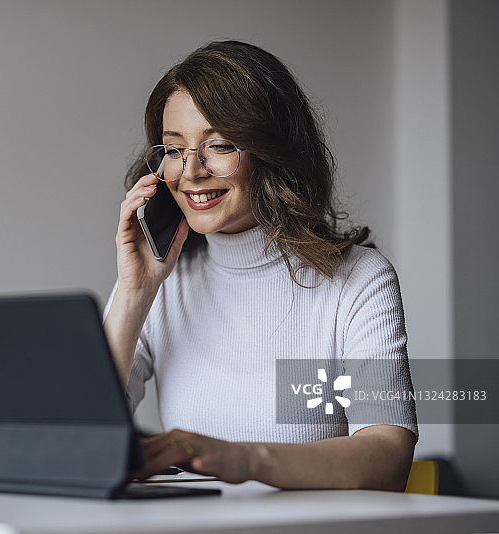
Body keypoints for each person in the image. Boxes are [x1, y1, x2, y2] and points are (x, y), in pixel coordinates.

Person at [103, 40, 417, 491]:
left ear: (272, 150)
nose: (191, 172)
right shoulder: (161, 281)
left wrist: (243, 457)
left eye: (221, 145)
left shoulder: (359, 280)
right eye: (174, 150)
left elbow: (388, 455)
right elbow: (76, 442)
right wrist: (134, 293)